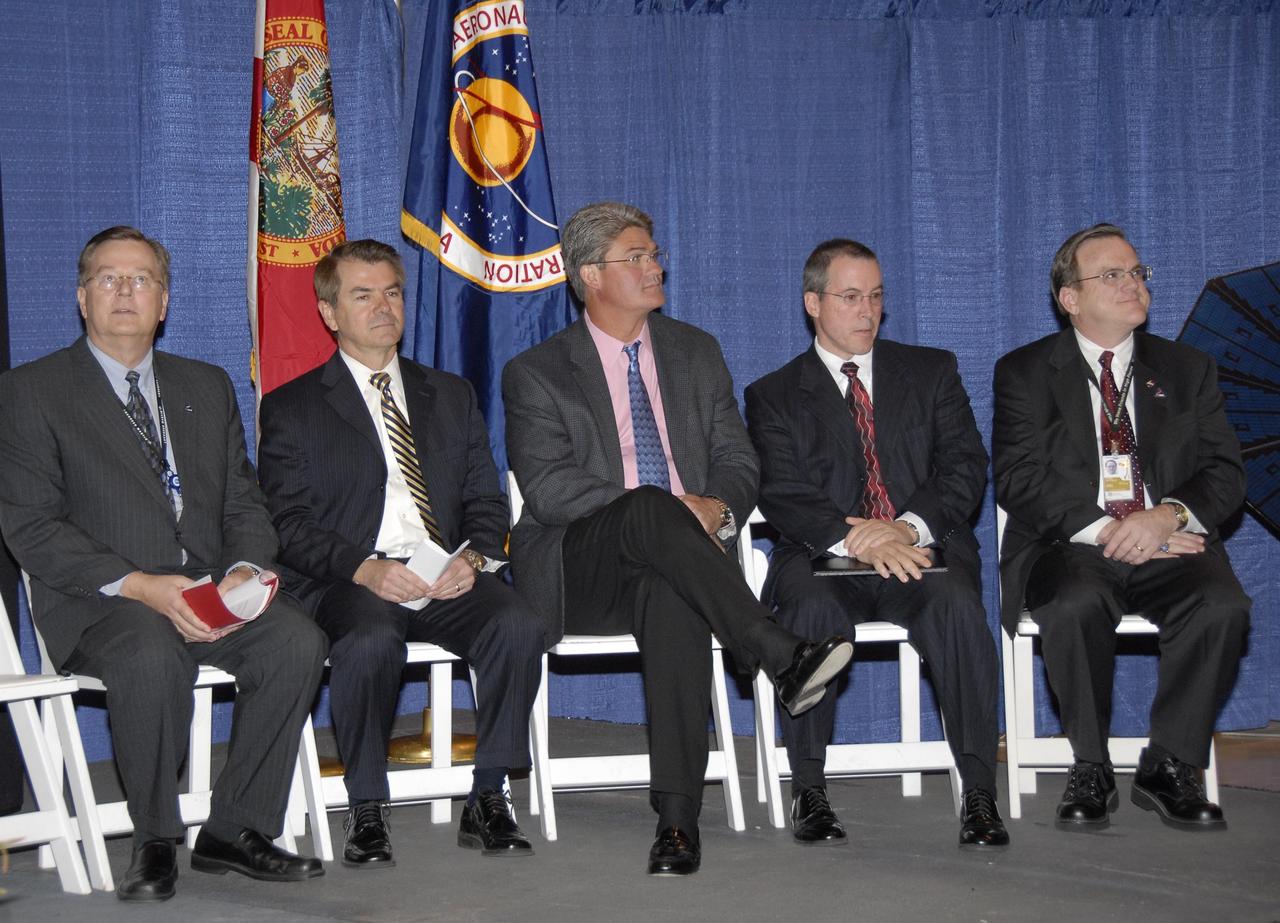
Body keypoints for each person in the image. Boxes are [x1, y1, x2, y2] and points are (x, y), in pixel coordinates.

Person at [502, 201, 852, 876]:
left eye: (654, 252)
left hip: (684, 562)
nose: (655, 265)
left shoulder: (696, 352)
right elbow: (549, 489)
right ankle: (776, 649)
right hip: (585, 565)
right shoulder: (537, 370)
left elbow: (739, 461)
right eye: (636, 256)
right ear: (590, 276)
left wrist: (715, 508)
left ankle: (678, 820)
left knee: (671, 589)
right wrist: (662, 508)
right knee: (648, 511)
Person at [0, 226, 328, 901]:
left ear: (165, 301)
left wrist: (242, 569)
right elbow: (31, 526)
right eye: (108, 278)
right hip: (102, 603)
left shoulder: (204, 386)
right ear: (82, 298)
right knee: (152, 651)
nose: (125, 290)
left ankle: (236, 828)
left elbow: (244, 499)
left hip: (208, 593)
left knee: (298, 639)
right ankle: (154, 836)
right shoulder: (30, 392)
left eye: (141, 278)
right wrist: (144, 585)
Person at [258, 239, 546, 868]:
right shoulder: (292, 406)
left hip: (443, 567)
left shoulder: (450, 393)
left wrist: (470, 560)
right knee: (368, 639)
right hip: (351, 575)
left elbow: (485, 500)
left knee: (519, 623)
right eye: (363, 295)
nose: (383, 306)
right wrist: (364, 568)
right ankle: (367, 805)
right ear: (330, 312)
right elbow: (288, 523)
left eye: (392, 291)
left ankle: (489, 793)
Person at [744, 238, 1008, 849]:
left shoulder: (930, 370)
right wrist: (855, 535)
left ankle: (978, 793)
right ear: (813, 302)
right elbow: (781, 490)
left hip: (920, 550)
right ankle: (809, 789)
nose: (868, 311)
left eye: (877, 297)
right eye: (850, 297)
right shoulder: (774, 394)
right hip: (820, 556)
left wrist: (907, 527)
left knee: (957, 607)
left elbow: (965, 464)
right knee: (811, 613)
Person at [993, 223, 1251, 832]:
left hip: (1171, 541)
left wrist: (1164, 516)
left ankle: (1171, 764)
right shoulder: (1025, 372)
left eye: (1138, 272)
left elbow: (1225, 474)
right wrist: (1114, 529)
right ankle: (1091, 764)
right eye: (1112, 275)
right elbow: (1019, 477)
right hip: (1072, 545)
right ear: (1070, 298)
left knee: (1222, 605)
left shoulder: (1188, 369)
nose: (1133, 284)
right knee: (1076, 601)